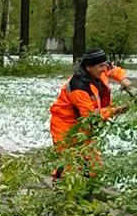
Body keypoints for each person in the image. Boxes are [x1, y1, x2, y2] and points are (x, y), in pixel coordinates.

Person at [49, 47, 130, 175]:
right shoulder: (78, 87)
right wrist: (114, 111)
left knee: (93, 164)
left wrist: (123, 80)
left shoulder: (99, 69)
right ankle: (60, 190)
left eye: (105, 65)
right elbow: (90, 115)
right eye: (101, 66)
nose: (104, 69)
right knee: (69, 166)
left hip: (83, 126)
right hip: (65, 127)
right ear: (88, 67)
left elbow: (113, 70)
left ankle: (89, 190)